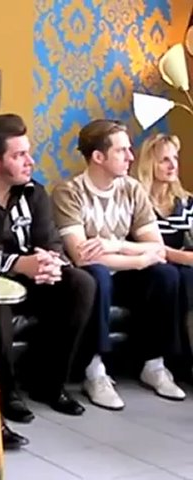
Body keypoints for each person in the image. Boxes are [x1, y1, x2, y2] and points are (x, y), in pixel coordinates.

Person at [0, 113, 96, 449]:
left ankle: (50, 384)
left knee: (80, 283)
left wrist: (50, 263)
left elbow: (50, 241)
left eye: (28, 152)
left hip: (28, 283)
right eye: (19, 155)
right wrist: (19, 264)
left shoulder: (34, 193)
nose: (30, 161)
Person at [52, 120, 185, 412]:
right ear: (98, 157)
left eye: (129, 149)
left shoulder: (132, 189)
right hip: (90, 276)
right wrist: (138, 259)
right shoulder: (68, 192)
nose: (131, 157)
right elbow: (82, 256)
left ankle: (154, 365)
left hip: (122, 271)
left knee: (165, 274)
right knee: (97, 274)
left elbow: (156, 247)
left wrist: (113, 245)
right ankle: (95, 371)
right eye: (122, 151)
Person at [130, 132, 193, 376]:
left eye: (175, 158)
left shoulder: (185, 202)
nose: (172, 165)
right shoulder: (137, 201)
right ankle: (177, 360)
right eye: (164, 160)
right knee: (175, 275)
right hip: (147, 265)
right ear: (149, 164)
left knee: (186, 275)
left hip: (180, 265)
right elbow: (148, 246)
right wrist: (185, 258)